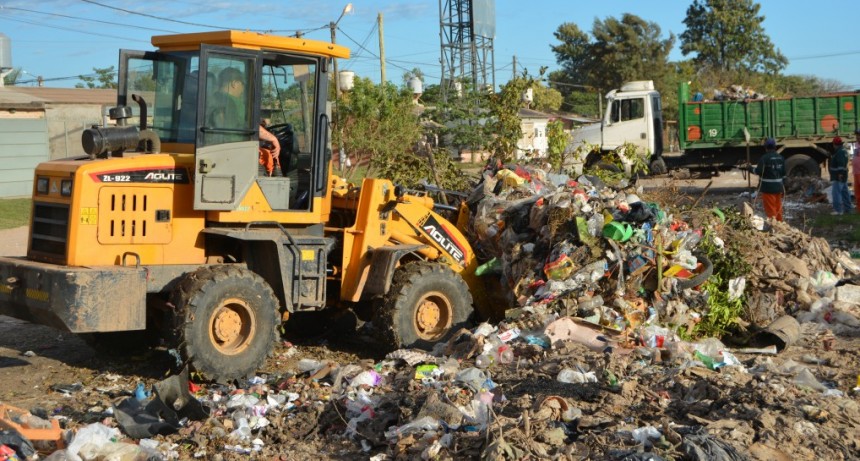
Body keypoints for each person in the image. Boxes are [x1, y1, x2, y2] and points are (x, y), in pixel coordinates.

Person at [211, 67, 280, 169]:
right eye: (243, 84)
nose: (243, 89)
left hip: (217, 149)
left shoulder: (213, 98)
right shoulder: (233, 102)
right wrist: (273, 138)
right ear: (235, 83)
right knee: (270, 157)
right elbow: (251, 126)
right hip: (235, 151)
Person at [750, 138, 786, 221]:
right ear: (775, 147)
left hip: (768, 188)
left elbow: (758, 171)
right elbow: (784, 174)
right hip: (779, 187)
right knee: (778, 207)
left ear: (765, 147)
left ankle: (773, 226)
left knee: (770, 209)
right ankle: (780, 224)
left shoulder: (764, 158)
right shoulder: (781, 158)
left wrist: (750, 168)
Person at [829, 136, 851, 215]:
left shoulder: (839, 152)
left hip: (838, 176)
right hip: (842, 175)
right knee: (845, 192)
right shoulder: (843, 151)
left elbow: (841, 164)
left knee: (836, 193)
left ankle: (838, 210)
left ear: (834, 144)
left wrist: (840, 174)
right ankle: (848, 209)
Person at [854, 129, 860, 212]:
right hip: (856, 172)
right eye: (857, 135)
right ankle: (859, 209)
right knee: (857, 192)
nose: (858, 137)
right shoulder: (856, 145)